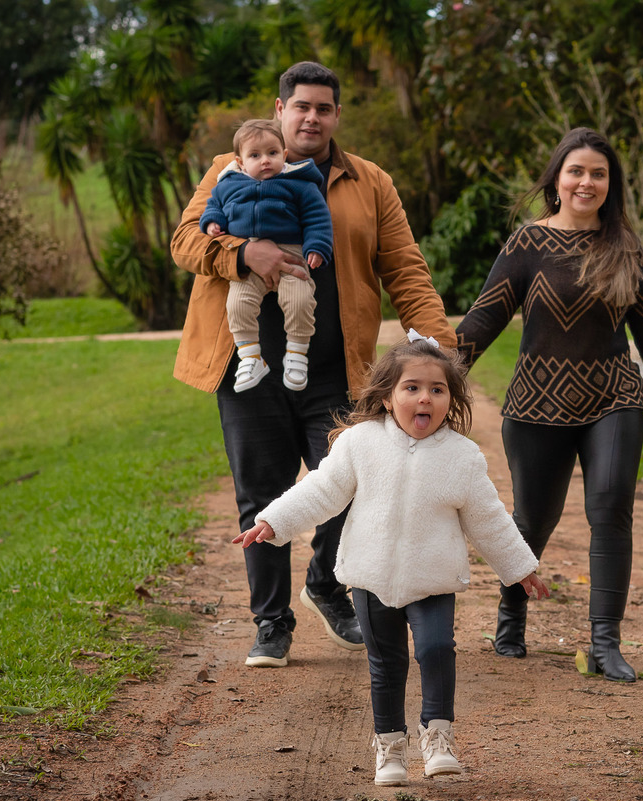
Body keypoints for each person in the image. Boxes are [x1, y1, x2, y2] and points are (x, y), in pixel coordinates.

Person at [170, 61, 456, 669]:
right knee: (262, 497)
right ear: (279, 109)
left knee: (351, 484)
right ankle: (271, 622)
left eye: (323, 108)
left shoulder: (369, 182)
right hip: (245, 366)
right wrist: (245, 252)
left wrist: (438, 344)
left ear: (336, 116)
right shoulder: (228, 168)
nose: (311, 117)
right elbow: (186, 241)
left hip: (334, 368)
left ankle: (324, 584)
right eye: (301, 106)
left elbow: (404, 265)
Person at [235, 333, 551, 787]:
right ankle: (390, 747)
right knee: (386, 665)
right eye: (412, 387)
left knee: (437, 650)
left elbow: (490, 519)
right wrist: (274, 520)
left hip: (434, 578)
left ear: (450, 399)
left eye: (437, 390)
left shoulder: (462, 457)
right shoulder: (359, 444)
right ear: (387, 397)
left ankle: (438, 738)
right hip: (371, 575)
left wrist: (520, 567)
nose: (425, 397)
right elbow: (321, 490)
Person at [455, 127, 643, 683]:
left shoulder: (625, 248)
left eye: (599, 173)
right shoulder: (527, 244)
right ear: (557, 180)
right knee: (533, 519)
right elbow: (485, 317)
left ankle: (604, 642)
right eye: (577, 171)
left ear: (610, 185)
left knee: (611, 506)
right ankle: (511, 613)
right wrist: (428, 381)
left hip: (612, 395)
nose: (587, 182)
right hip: (536, 401)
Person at [200, 119, 334, 393]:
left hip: (292, 254)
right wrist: (212, 221)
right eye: (255, 155)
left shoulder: (299, 184)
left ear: (284, 155)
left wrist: (317, 247)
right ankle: (250, 357)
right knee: (237, 304)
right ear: (240, 161)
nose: (265, 161)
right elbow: (213, 205)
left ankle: (296, 354)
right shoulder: (228, 184)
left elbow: (317, 218)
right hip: (245, 256)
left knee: (299, 299)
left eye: (272, 153)